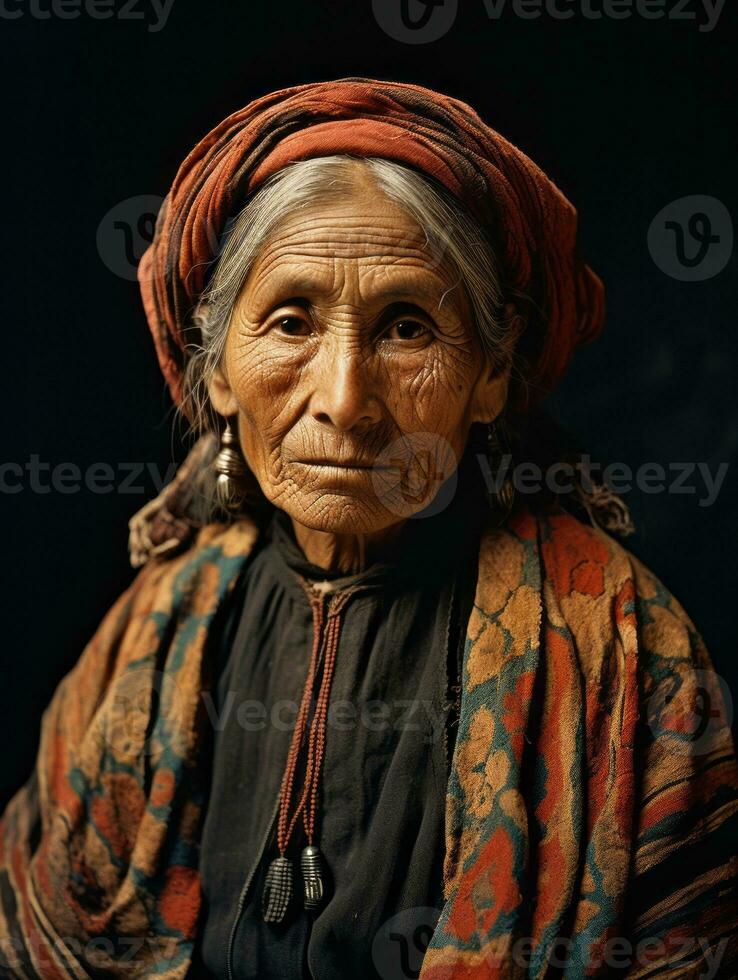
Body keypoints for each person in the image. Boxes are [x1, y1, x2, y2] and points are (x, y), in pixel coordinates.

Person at [1, 78, 735, 980]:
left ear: (491, 377)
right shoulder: (154, 634)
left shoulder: (620, 647)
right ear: (219, 372)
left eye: (406, 327)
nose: (345, 402)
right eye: (290, 321)